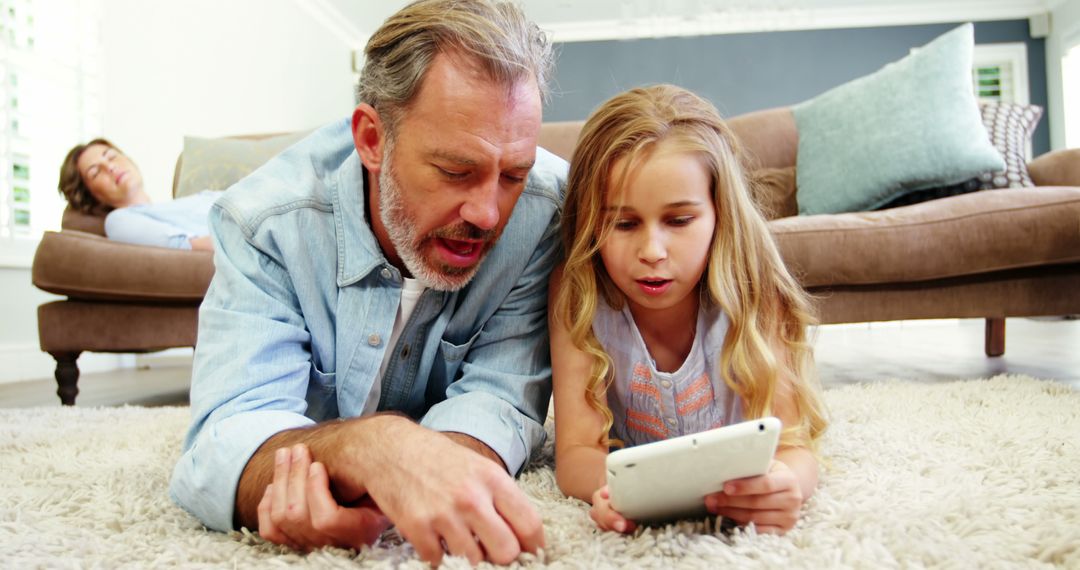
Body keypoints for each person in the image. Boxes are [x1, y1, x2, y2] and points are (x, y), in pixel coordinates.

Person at [168, 0, 564, 565]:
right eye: (456, 171)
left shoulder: (546, 213)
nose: (488, 213)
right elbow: (224, 442)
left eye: (514, 175)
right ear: (373, 139)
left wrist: (417, 468)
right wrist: (370, 447)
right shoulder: (265, 223)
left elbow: (501, 398)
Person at [549, 85, 828, 535]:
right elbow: (577, 453)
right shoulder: (578, 291)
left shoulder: (754, 287)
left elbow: (795, 447)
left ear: (721, 213)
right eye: (623, 223)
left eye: (679, 221)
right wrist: (618, 490)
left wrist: (784, 483)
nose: (653, 251)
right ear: (589, 222)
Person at [58, 139, 216, 250]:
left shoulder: (197, 199)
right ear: (92, 197)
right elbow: (194, 248)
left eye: (111, 156)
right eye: (96, 172)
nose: (110, 167)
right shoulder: (118, 221)